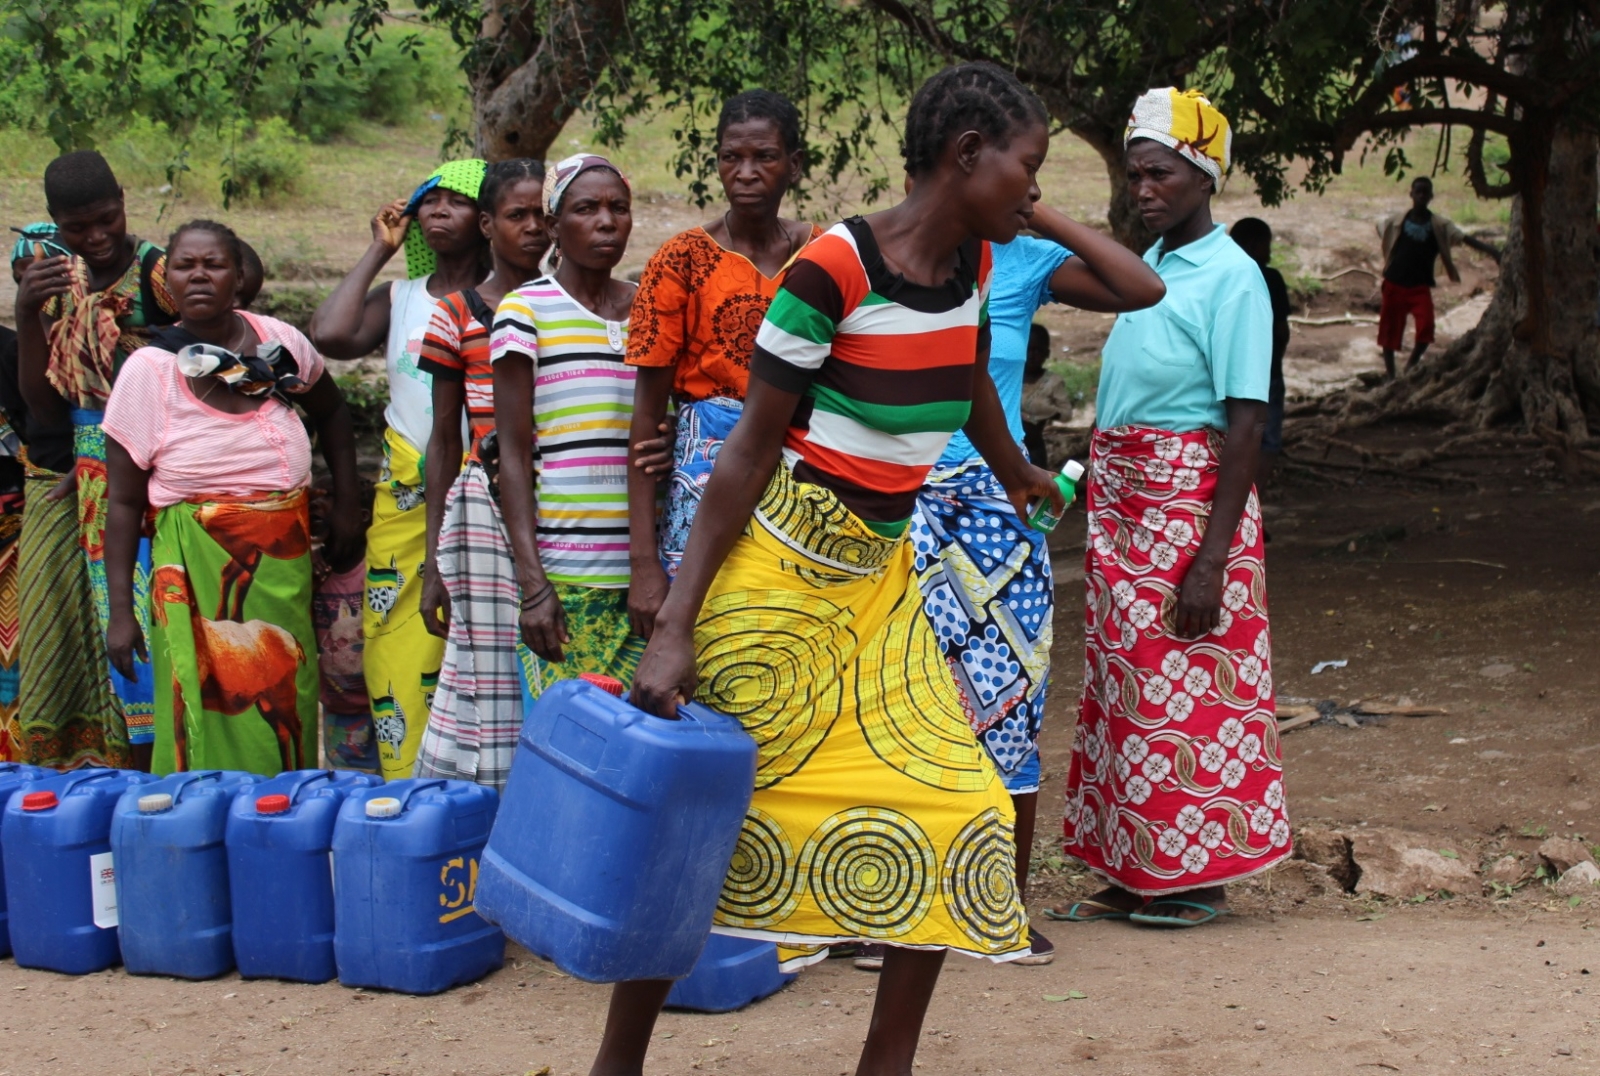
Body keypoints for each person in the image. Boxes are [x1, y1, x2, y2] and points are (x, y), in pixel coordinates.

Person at [597, 63, 1063, 1076]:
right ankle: (617, 1061)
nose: (1034, 194)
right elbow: (746, 451)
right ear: (965, 155)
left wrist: (1015, 467)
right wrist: (675, 621)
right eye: (1026, 169)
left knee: (962, 809)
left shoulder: (976, 264)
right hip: (777, 573)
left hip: (879, 585)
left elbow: (970, 366)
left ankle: (881, 1064)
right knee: (702, 826)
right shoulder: (831, 269)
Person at [1050, 87, 1288, 928]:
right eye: (1135, 175)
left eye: (1159, 174)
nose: (1142, 189)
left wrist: (1212, 559)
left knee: (1187, 688)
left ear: (1202, 177)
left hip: (1186, 510)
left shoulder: (1233, 278)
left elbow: (1247, 421)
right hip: (1125, 505)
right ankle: (1136, 870)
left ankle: (1196, 879)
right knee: (1127, 689)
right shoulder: (1147, 273)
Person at [905, 201, 1164, 969]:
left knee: (1011, 699)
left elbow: (1139, 286)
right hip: (901, 503)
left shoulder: (1020, 260)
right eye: (1017, 164)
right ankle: (893, 904)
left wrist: (1039, 217)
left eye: (1036, 170)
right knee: (900, 698)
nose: (1026, 180)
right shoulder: (880, 254)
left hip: (1000, 504)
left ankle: (1000, 909)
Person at [102, 220, 362, 775]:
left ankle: (279, 826)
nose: (198, 276)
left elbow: (334, 414)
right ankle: (203, 829)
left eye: (213, 264)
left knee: (282, 700)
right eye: (184, 266)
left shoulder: (279, 345)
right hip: (193, 568)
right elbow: (122, 502)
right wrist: (120, 612)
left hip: (282, 567)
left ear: (239, 273)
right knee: (199, 703)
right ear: (167, 278)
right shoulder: (149, 371)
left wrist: (345, 506)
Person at [311, 159, 489, 780]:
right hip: (403, 502)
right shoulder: (403, 297)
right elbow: (330, 333)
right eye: (428, 202)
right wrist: (378, 250)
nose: (439, 211)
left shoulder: (507, 299)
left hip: (483, 489)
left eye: (457, 201)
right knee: (393, 643)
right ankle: (408, 783)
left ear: (487, 218)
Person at [625, 89, 823, 631]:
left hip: (807, 477)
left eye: (765, 157)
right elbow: (646, 417)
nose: (746, 172)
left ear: (794, 167)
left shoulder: (827, 255)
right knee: (705, 634)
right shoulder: (680, 261)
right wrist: (643, 563)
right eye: (731, 157)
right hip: (705, 478)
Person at [12, 150, 180, 766]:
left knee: (145, 619)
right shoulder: (59, 281)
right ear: (55, 224)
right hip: (84, 465)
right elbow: (45, 409)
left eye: (107, 219)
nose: (97, 236)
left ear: (122, 205)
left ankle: (155, 764)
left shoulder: (159, 272)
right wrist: (28, 314)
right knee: (93, 623)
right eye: (77, 228)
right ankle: (93, 770)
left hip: (158, 463)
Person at [409, 158, 550, 789]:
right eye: (518, 216)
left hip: (565, 504)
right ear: (489, 225)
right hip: (486, 515)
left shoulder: (569, 307)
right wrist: (436, 560)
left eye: (543, 215)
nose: (535, 229)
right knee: (489, 670)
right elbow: (445, 438)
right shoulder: (458, 314)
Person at [492, 155, 647, 694]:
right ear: (555, 226)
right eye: (586, 209)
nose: (607, 221)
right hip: (566, 579)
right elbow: (512, 454)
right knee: (568, 750)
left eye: (618, 208)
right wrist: (533, 584)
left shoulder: (651, 306)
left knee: (644, 754)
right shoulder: (526, 311)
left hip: (650, 578)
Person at [4, 238, 123, 769]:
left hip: (90, 489)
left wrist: (96, 451)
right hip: (49, 490)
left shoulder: (117, 326)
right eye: (29, 277)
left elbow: (47, 417)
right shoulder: (28, 332)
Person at [1375, 175, 1497, 378]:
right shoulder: (1398, 220)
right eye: (1418, 191)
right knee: (1389, 333)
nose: (1421, 195)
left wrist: (1492, 251)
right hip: (1394, 284)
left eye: (1425, 192)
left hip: (1419, 287)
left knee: (1426, 329)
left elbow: (1463, 238)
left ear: (1431, 196)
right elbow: (1382, 228)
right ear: (1411, 194)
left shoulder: (1439, 225)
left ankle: (1411, 365)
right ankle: (1391, 376)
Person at [1229, 218, 1290, 489]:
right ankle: (1253, 509)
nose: (1270, 251)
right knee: (1267, 441)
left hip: (1229, 376)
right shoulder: (1271, 279)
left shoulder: (1224, 277)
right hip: (1266, 375)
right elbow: (1281, 330)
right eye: (1267, 245)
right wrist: (1276, 360)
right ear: (1254, 245)